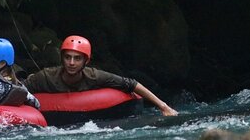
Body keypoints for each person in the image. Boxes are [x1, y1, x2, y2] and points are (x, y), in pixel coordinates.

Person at [22, 35, 179, 116]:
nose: (71, 62)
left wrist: (163, 106)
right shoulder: (45, 77)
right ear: (61, 58)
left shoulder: (95, 76)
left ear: (86, 61)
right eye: (67, 57)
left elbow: (131, 84)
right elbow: (19, 88)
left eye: (77, 58)